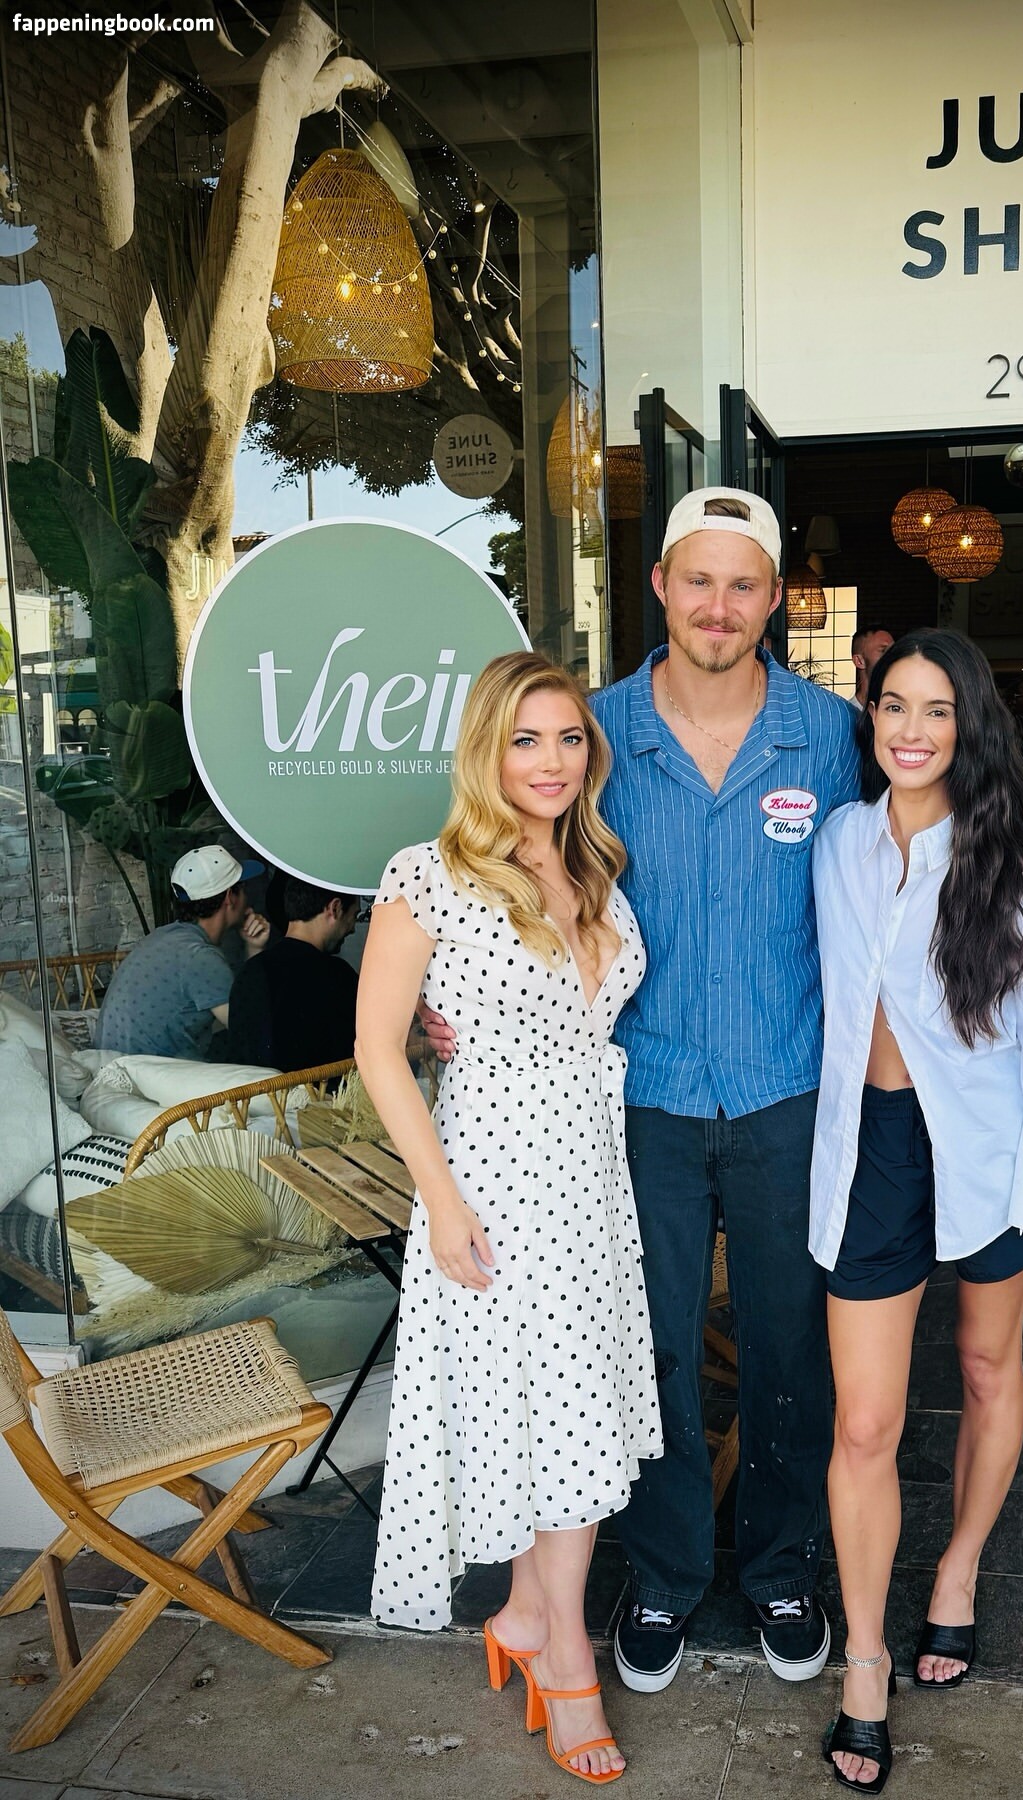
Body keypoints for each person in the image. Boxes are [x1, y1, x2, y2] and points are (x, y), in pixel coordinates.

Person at [421, 487, 860, 1692]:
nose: (720, 606)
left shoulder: (832, 737)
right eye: (698, 580)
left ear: (776, 598)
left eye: (744, 584)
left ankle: (781, 1568)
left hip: (786, 1090)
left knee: (788, 1349)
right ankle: (661, 1578)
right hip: (634, 1104)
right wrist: (430, 1000)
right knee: (647, 1350)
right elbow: (482, 871)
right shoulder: (590, 732)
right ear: (660, 585)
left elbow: (892, 885)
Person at [810, 631, 1023, 1793]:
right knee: (865, 1423)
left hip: (994, 1150)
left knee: (989, 1368)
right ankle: (864, 1659)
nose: (911, 731)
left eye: (936, 710)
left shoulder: (1020, 860)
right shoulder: (838, 844)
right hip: (870, 1150)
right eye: (893, 706)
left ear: (969, 727)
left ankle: (958, 1569)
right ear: (871, 716)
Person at [356, 651, 661, 1785]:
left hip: (590, 1178)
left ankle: (530, 1617)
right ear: (486, 749)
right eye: (527, 739)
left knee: (565, 1410)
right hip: (491, 1179)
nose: (551, 760)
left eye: (570, 738)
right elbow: (377, 1048)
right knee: (551, 1409)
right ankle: (566, 1655)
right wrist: (441, 1203)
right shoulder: (428, 875)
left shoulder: (595, 869)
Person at [97, 845, 268, 1060]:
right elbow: (252, 1031)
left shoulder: (163, 936)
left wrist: (252, 946)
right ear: (229, 897)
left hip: (118, 1064)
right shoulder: (200, 957)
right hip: (150, 1075)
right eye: (242, 888)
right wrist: (256, 949)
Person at [226, 880, 361, 1072]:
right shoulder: (338, 976)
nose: (353, 928)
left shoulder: (249, 971)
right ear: (335, 908)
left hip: (254, 1092)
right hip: (319, 1091)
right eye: (354, 916)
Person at [850, 624, 895, 709]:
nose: (892, 657)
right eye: (883, 651)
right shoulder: (845, 714)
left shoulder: (901, 711)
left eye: (894, 651)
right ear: (859, 661)